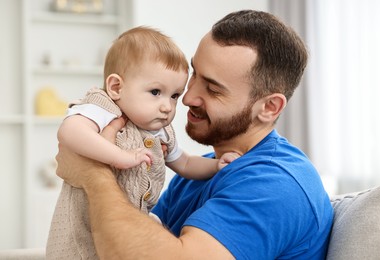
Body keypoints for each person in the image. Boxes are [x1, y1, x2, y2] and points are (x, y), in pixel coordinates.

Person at [55, 10, 334, 259]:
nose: (187, 98)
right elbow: (130, 233)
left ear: (269, 107)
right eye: (194, 75)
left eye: (212, 89)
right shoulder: (197, 175)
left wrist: (93, 173)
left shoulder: (275, 184)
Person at [46, 26, 238, 259]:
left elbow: (185, 164)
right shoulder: (105, 106)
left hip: (125, 226)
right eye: (156, 92)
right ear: (117, 87)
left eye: (174, 95)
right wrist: (119, 157)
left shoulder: (160, 132)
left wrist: (215, 166)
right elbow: (71, 131)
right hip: (82, 230)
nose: (167, 106)